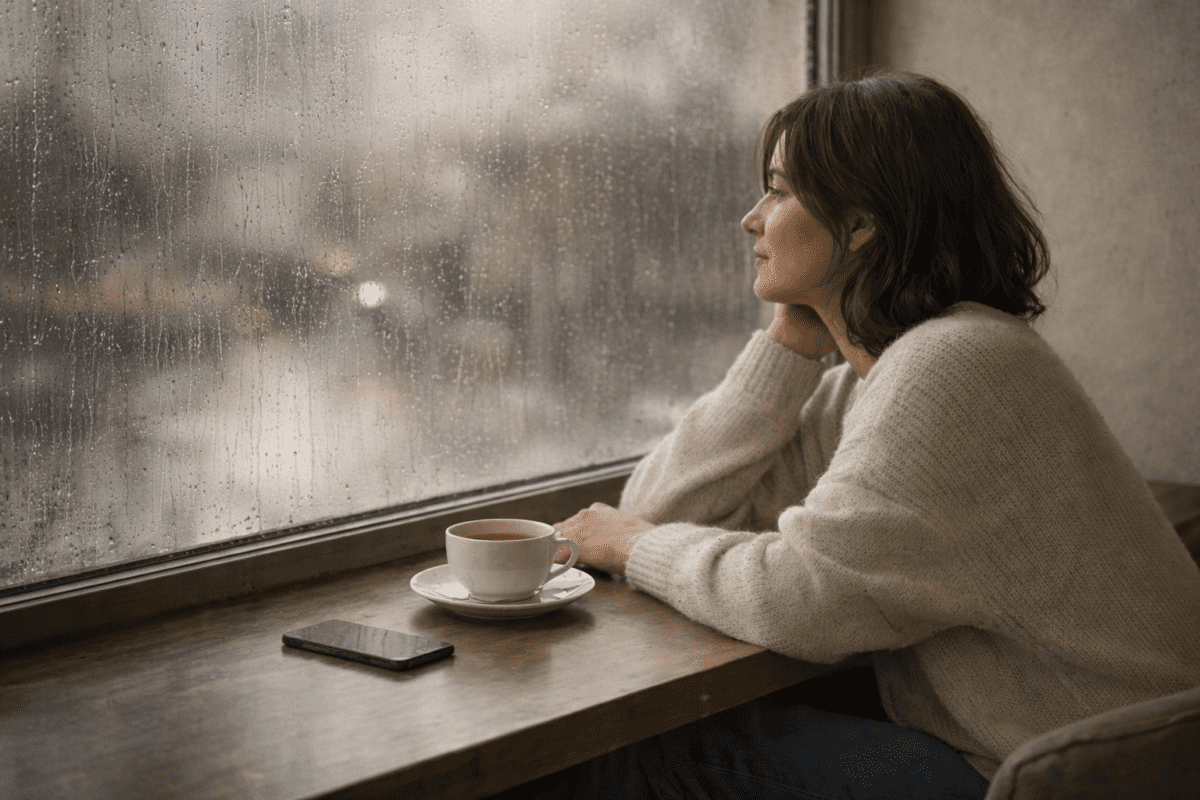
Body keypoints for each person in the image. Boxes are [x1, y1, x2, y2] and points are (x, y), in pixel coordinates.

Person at [534, 69, 1200, 799]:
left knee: (649, 752)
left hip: (1090, 778)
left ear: (857, 226)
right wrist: (787, 348)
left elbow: (799, 596)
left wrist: (630, 545)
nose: (752, 219)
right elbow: (661, 507)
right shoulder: (888, 376)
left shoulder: (950, 369)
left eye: (778, 192)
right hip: (1074, 756)